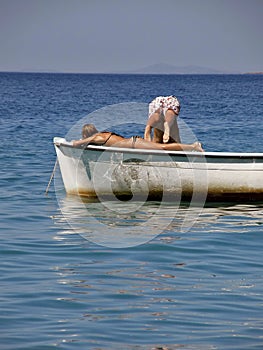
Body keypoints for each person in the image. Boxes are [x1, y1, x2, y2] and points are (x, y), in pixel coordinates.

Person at [72, 124, 203, 152]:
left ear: (86, 134)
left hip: (134, 144)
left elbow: (78, 143)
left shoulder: (97, 137)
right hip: (133, 142)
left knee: (161, 148)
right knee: (160, 148)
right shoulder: (102, 134)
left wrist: (72, 143)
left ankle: (193, 146)